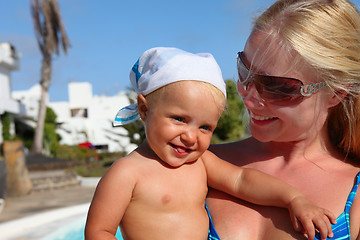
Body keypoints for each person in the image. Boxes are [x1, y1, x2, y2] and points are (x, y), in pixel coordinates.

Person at [84, 47, 336, 240]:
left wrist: (293, 199)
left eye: (205, 127)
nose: (191, 136)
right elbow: (99, 231)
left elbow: (242, 181)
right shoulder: (127, 173)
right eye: (179, 119)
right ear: (143, 109)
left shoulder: (200, 162)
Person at [206, 0, 360, 239]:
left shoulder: (356, 193)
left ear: (337, 91)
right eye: (244, 71)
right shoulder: (199, 162)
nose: (248, 97)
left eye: (277, 87)